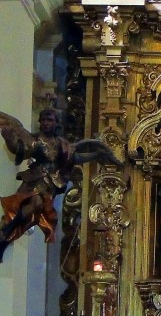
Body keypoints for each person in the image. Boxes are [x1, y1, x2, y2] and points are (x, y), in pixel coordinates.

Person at [0, 108, 122, 263]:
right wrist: (9, 138)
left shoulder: (62, 145)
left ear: (56, 123)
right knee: (28, 206)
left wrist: (96, 155)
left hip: (49, 186)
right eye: (43, 120)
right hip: (33, 182)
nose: (46, 123)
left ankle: (7, 235)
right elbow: (20, 150)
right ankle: (6, 231)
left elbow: (75, 158)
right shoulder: (36, 140)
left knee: (31, 216)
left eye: (49, 120)